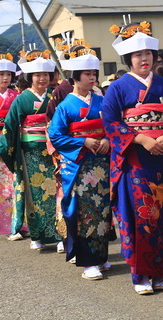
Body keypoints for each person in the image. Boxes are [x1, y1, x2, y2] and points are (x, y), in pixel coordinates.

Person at [102, 20, 163, 295]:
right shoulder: (117, 88)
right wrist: (141, 138)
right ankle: (140, 274)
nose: (144, 59)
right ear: (129, 58)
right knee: (140, 215)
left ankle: (161, 272)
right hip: (137, 160)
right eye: (139, 55)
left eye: (148, 54)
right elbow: (110, 122)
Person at [48, 46, 113, 280]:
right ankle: (87, 261)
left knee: (102, 209)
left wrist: (107, 138)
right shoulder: (66, 105)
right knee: (84, 211)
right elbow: (55, 134)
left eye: (94, 73)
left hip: (101, 163)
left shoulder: (102, 100)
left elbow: (113, 125)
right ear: (75, 76)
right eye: (87, 74)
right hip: (79, 164)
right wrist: (84, 141)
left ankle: (101, 256)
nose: (92, 77)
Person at [0, 50, 62, 251]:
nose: (42, 79)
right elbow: (10, 126)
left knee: (55, 192)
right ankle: (37, 235)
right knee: (34, 194)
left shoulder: (54, 98)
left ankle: (58, 234)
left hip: (52, 151)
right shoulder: (21, 100)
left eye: (45, 75)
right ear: (30, 77)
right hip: (28, 152)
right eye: (37, 75)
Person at [0, 50, 19, 236]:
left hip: (11, 140)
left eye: (8, 74)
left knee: (12, 182)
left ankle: (15, 220)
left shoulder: (16, 96)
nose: (5, 77)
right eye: (1, 74)